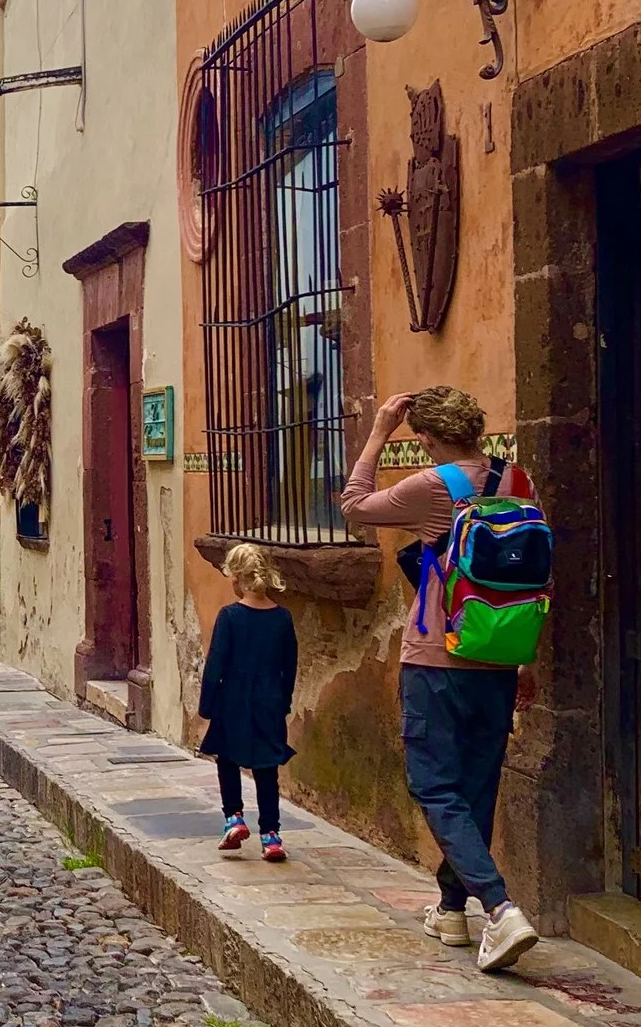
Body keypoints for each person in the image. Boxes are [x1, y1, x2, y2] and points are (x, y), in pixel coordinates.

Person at [340, 386, 541, 974]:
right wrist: (527, 657)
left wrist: (378, 431)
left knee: (433, 783)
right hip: (500, 653)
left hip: (437, 656)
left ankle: (500, 908)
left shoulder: (432, 486)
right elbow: (531, 575)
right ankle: (453, 907)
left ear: (424, 437)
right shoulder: (519, 482)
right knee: (476, 783)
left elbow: (354, 507)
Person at [199, 543, 299, 862]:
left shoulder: (229, 617)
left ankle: (235, 819)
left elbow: (216, 665)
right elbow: (290, 665)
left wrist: (208, 705)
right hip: (269, 700)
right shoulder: (282, 618)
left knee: (227, 758)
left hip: (234, 699)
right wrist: (283, 701)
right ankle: (271, 836)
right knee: (266, 767)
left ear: (237, 578)